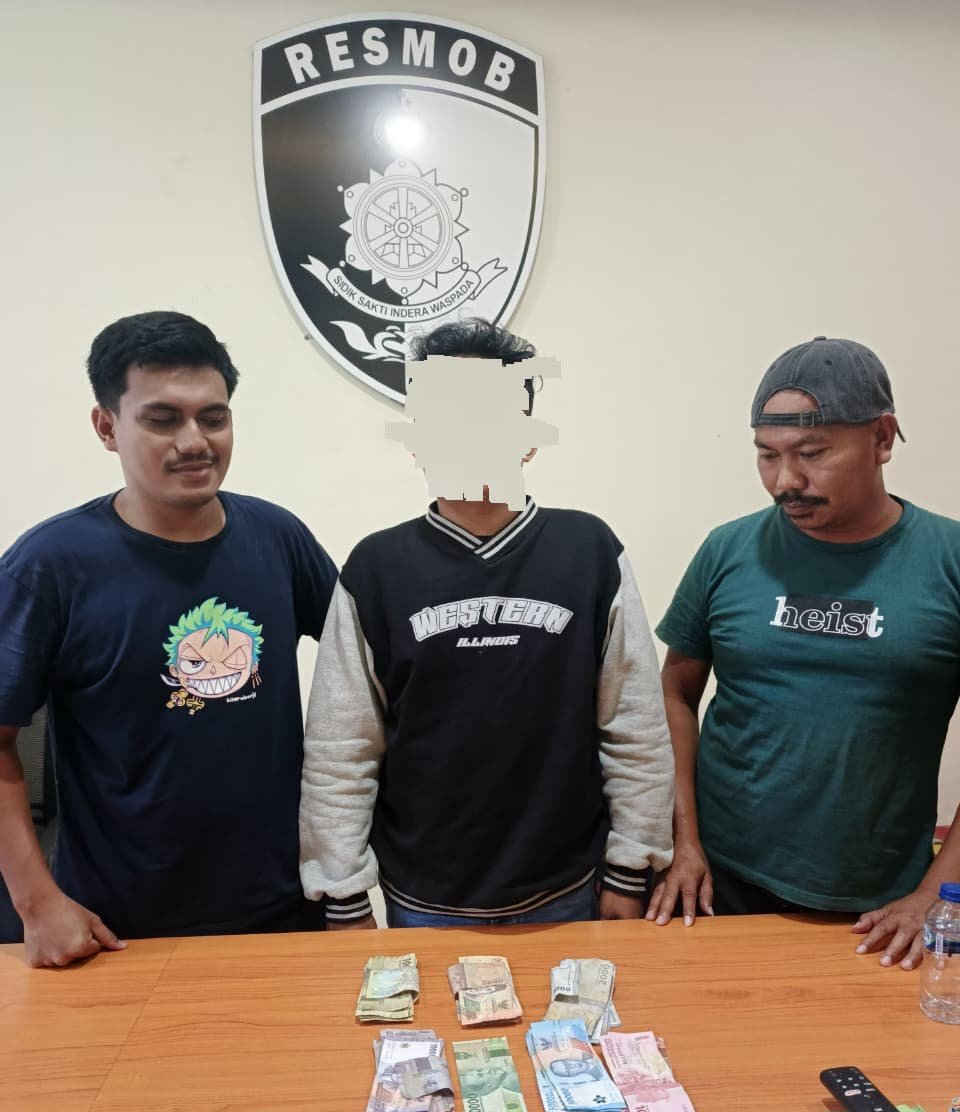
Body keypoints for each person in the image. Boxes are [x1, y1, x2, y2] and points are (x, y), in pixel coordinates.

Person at [299, 318, 674, 929]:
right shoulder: (374, 568)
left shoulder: (590, 551)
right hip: (422, 896)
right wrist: (342, 895)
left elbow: (634, 726)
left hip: (571, 886)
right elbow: (342, 749)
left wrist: (632, 869)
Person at [0, 312, 337, 966]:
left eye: (213, 418)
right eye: (163, 419)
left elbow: (375, 673)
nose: (195, 441)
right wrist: (37, 904)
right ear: (107, 427)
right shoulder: (49, 567)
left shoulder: (279, 539)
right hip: (114, 929)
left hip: (282, 911)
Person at [651, 336, 960, 969]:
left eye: (812, 454)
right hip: (717, 884)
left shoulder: (949, 561)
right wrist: (685, 843)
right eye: (767, 455)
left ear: (882, 438)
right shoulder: (727, 549)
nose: (786, 481)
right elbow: (675, 694)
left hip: (882, 905)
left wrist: (938, 892)